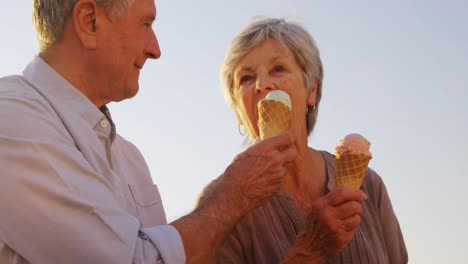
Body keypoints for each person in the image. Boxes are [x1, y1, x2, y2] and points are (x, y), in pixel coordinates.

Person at [0, 1, 299, 263]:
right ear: (89, 21)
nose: (155, 49)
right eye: (146, 23)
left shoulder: (130, 158)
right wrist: (233, 196)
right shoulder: (10, 117)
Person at [200, 17, 408, 263]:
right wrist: (308, 252)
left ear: (311, 91)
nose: (262, 84)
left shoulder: (369, 185)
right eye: (246, 78)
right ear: (238, 111)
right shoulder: (219, 203)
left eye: (278, 69)